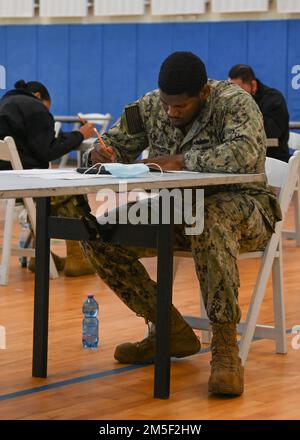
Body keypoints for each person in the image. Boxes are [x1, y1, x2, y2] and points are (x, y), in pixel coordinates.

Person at [64, 52, 282, 396]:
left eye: (180, 106)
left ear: (204, 94)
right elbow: (117, 143)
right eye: (166, 104)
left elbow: (244, 153)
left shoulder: (234, 102)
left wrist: (181, 161)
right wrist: (101, 153)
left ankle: (225, 349)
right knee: (98, 235)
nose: (170, 112)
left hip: (245, 208)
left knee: (210, 220)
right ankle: (168, 330)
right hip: (178, 209)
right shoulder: (150, 106)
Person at [0, 79, 96, 276]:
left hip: (7, 182)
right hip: (26, 186)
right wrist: (80, 135)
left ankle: (41, 255)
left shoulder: (7, 105)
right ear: (38, 97)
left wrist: (74, 135)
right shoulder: (34, 107)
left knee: (50, 189)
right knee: (71, 189)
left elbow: (39, 143)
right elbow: (48, 151)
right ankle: (77, 259)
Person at [228, 64, 290, 162]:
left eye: (238, 89)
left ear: (253, 84)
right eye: (231, 89)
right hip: (246, 158)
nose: (234, 93)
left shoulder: (274, 99)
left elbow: (270, 133)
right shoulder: (233, 101)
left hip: (273, 159)